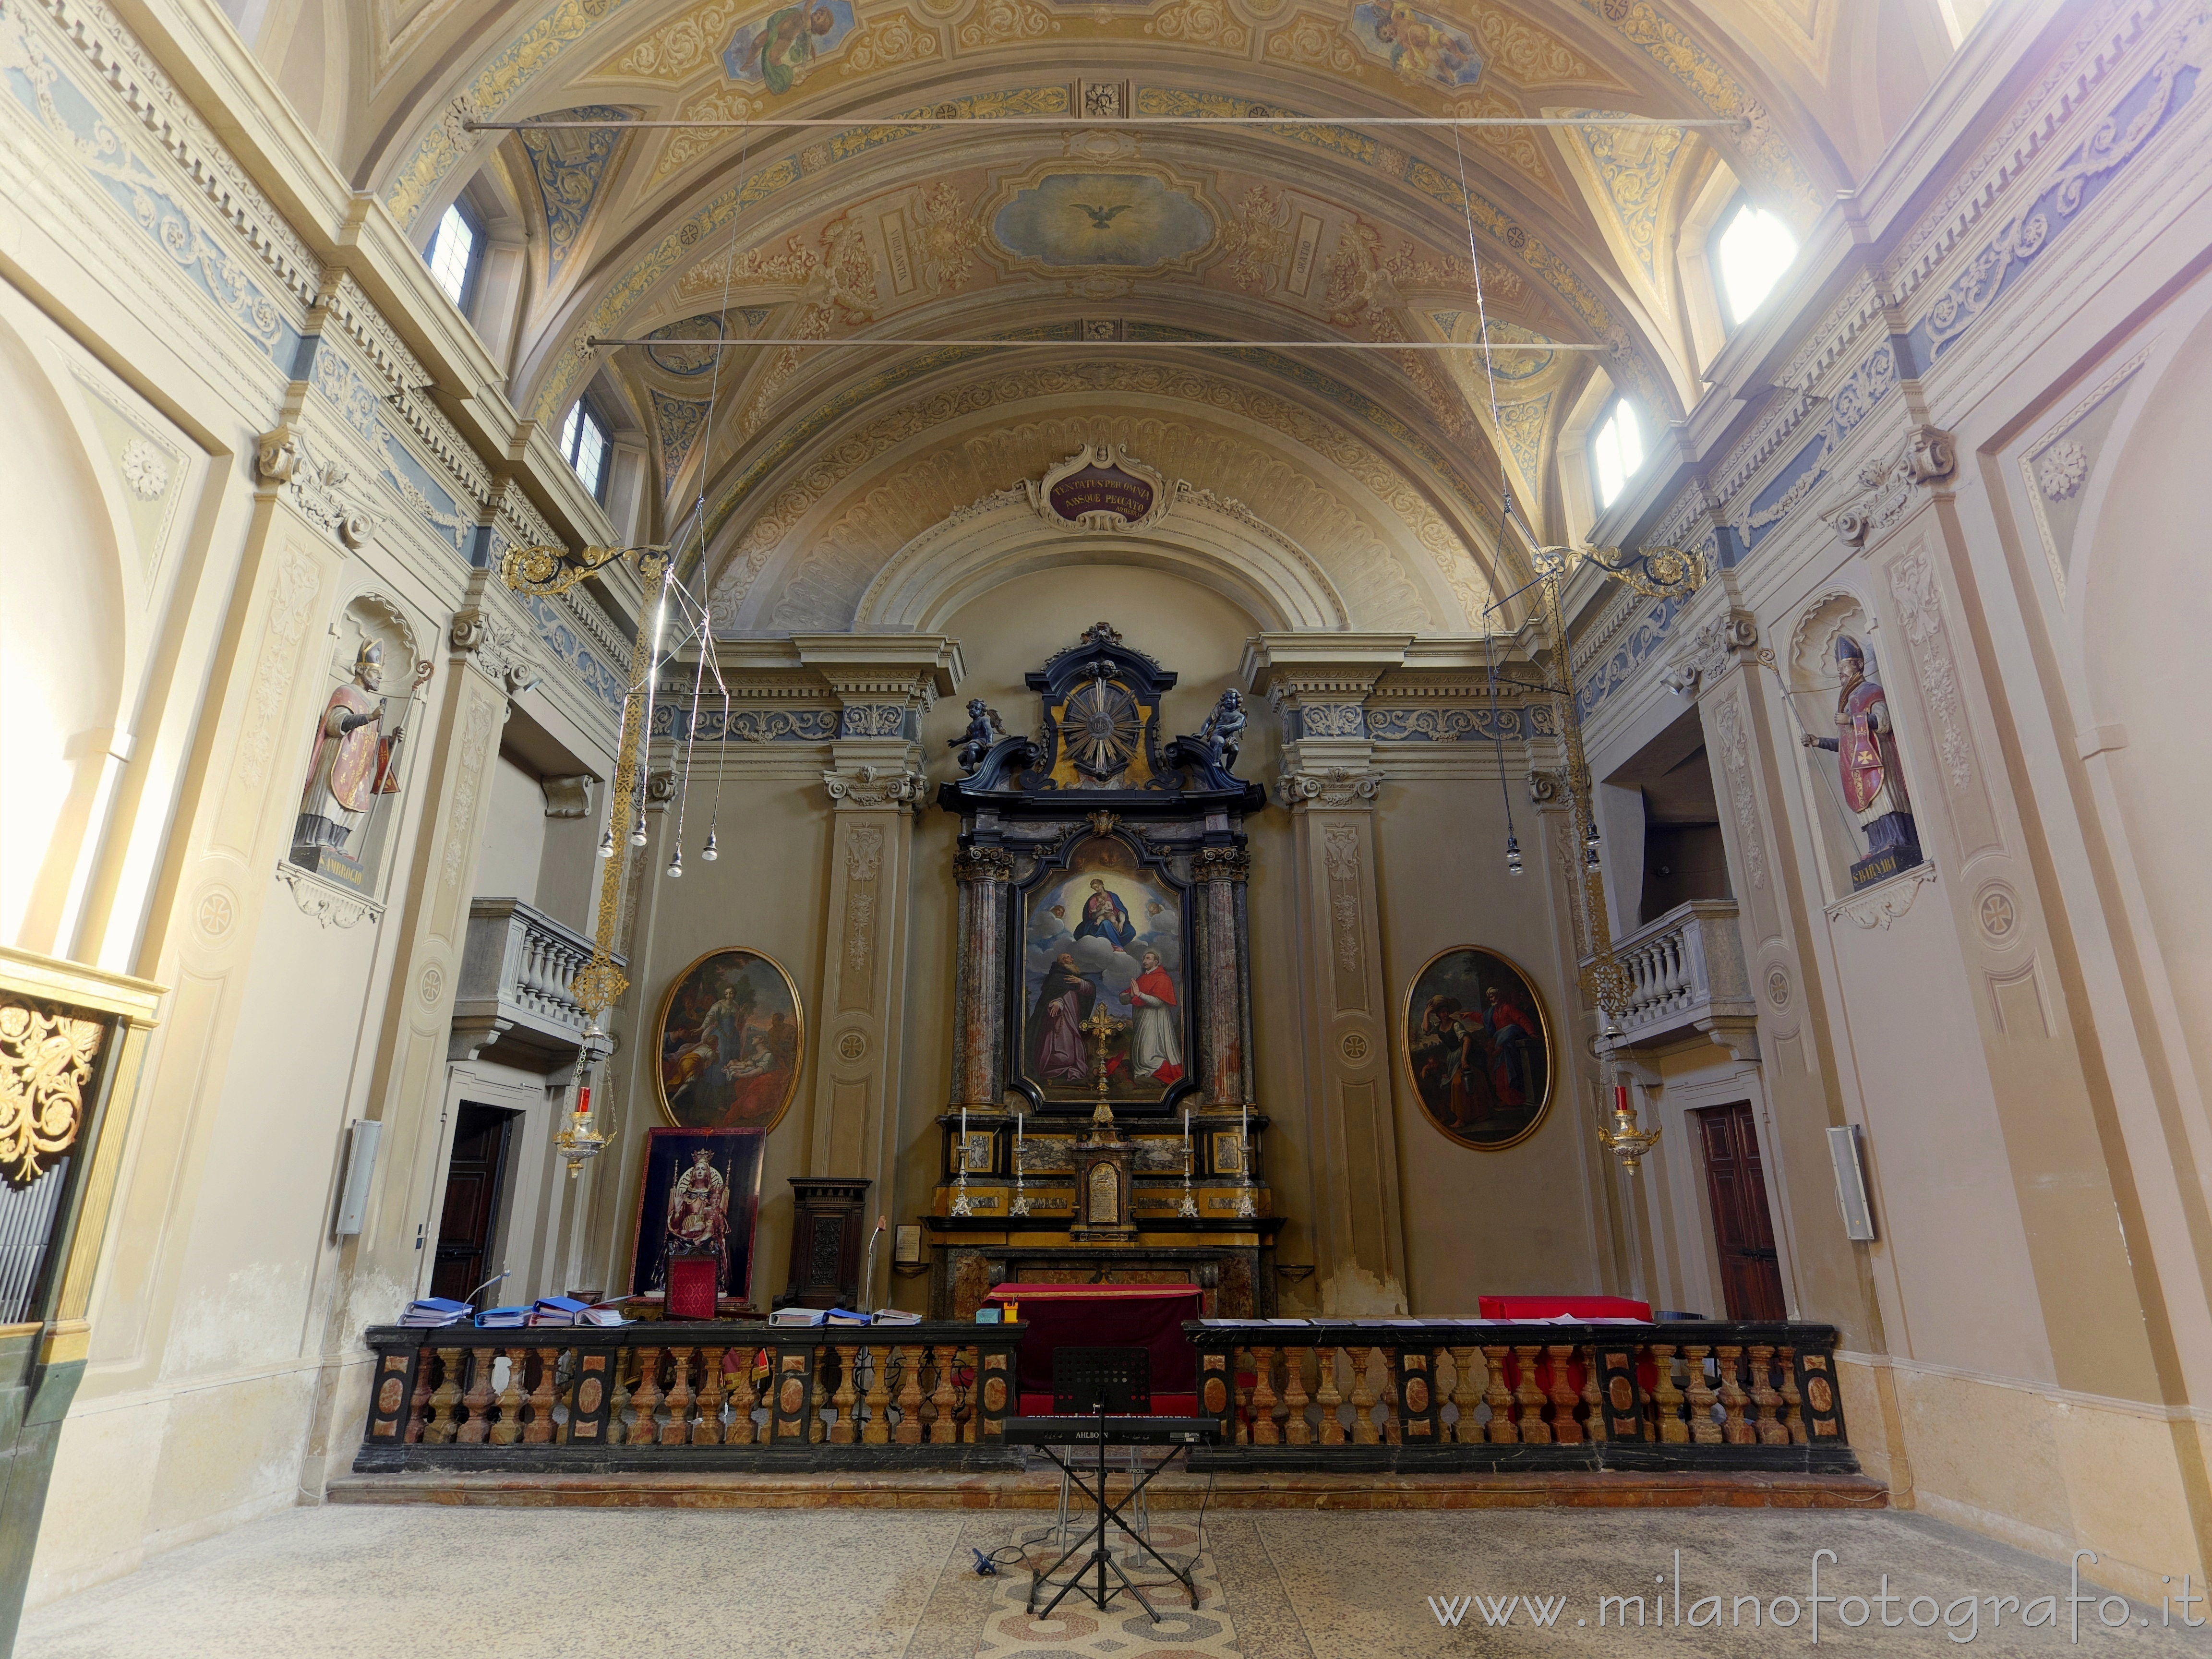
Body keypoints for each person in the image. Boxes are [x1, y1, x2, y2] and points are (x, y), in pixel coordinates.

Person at [1803, 635, 1920, 865]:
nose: (1841, 673)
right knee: (1868, 807)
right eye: (1839, 668)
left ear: (1858, 665)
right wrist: (1819, 742)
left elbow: (1884, 721)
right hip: (1857, 768)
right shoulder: (1846, 701)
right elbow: (1846, 744)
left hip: (1878, 762)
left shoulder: (1870, 692)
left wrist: (1852, 720)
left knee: (1884, 799)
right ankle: (1877, 847)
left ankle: (1896, 841)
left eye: (1844, 666)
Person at [295, 640, 403, 857]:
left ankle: (337, 843)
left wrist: (390, 741)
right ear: (361, 669)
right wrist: (369, 717)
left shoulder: (370, 703)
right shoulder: (346, 692)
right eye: (376, 672)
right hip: (339, 758)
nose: (380, 678)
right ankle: (317, 840)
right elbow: (335, 723)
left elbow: (369, 740)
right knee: (330, 800)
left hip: (359, 767)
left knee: (356, 807)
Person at [1029, 952, 1095, 1083]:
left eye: (1072, 957)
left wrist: (1081, 982)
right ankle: (1058, 1070)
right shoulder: (1056, 977)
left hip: (1074, 1015)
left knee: (1073, 1039)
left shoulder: (1074, 977)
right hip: (1061, 1016)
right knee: (1062, 1044)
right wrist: (1057, 1002)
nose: (1073, 959)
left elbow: (1089, 990)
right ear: (1063, 962)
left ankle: (1072, 1069)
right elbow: (1051, 995)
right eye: (1069, 957)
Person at [1121, 950, 1183, 1085]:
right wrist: (1131, 996)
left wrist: (1140, 994)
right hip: (1141, 1018)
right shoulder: (1142, 978)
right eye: (1144, 958)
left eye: (1148, 958)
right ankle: (1144, 1075)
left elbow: (1158, 1002)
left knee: (1147, 1054)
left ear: (1155, 962)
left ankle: (1158, 1074)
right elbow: (1123, 998)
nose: (1144, 961)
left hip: (1155, 1019)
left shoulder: (1163, 978)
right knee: (1139, 1054)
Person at [1477, 984, 1541, 1109]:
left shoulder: (1508, 1008)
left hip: (1510, 1046)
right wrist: (1469, 1015)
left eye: (1494, 996)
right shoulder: (1493, 1012)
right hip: (1500, 1046)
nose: (1492, 999)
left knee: (1510, 1071)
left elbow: (1522, 1019)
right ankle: (1505, 1098)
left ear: (1499, 996)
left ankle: (1515, 1098)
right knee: (1501, 1072)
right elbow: (1482, 1018)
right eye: (1490, 997)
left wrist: (1531, 1033)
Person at [1072, 877, 1137, 950]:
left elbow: (1120, 910)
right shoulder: (1093, 900)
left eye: (1097, 887)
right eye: (1095, 889)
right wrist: (1102, 912)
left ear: (1102, 885)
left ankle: (1113, 944)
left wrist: (1122, 922)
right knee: (1106, 923)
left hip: (1114, 919)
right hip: (1098, 924)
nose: (1097, 889)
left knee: (1131, 931)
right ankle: (1117, 946)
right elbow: (1092, 916)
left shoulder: (1113, 896)